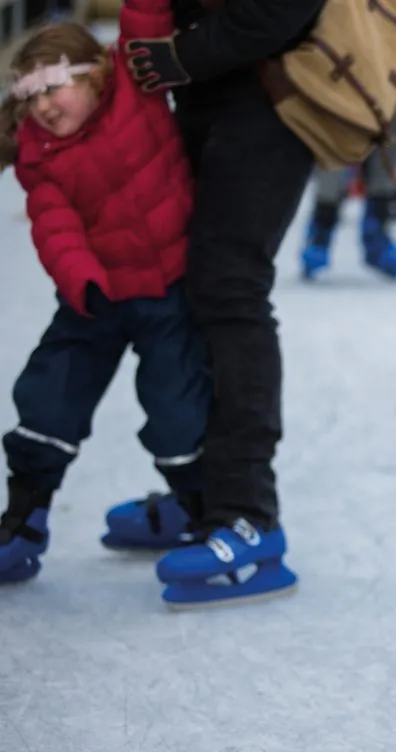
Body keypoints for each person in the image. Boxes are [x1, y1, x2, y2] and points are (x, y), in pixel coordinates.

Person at [97, 0, 325, 608]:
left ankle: (249, 518)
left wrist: (181, 54)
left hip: (270, 101)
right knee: (196, 288)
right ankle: (201, 495)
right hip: (206, 96)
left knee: (231, 290)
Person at [0, 9, 207, 584]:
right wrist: (82, 280)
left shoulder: (136, 88)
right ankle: (24, 516)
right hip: (96, 295)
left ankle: (194, 508)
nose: (42, 106)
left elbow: (144, 20)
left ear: (94, 76)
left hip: (169, 288)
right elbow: (53, 225)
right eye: (29, 94)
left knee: (178, 407)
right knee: (49, 392)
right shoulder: (38, 154)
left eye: (53, 87)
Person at [299, 0, 396, 282]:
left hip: (391, 47)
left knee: (393, 125)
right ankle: (321, 228)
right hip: (340, 47)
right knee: (336, 132)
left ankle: (376, 230)